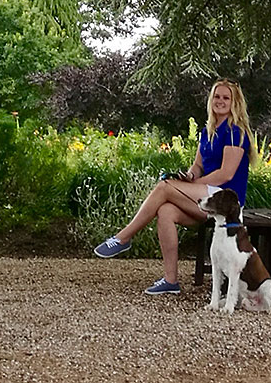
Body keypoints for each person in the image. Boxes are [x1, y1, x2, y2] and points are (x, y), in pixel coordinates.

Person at [93, 77, 258, 295]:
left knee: (164, 187)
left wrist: (192, 185)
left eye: (226, 98)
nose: (220, 101)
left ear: (234, 102)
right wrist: (189, 176)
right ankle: (170, 280)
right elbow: (198, 165)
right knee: (166, 210)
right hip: (206, 195)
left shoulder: (235, 131)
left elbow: (225, 174)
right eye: (217, 97)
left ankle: (123, 237)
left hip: (225, 200)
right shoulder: (208, 130)